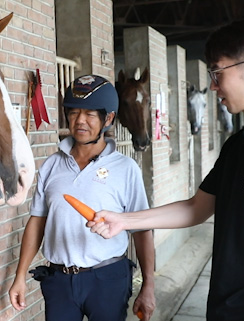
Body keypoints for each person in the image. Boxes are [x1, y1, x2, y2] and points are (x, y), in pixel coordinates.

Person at [88, 18, 244, 321]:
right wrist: (124, 220)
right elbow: (196, 208)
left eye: (217, 73)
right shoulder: (238, 145)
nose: (213, 85)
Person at [8, 75, 156, 321]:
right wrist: (20, 276)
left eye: (89, 114)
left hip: (107, 278)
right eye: (74, 113)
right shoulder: (51, 165)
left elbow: (142, 230)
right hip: (59, 281)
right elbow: (37, 222)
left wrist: (148, 284)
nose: (80, 121)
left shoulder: (126, 168)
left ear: (108, 119)